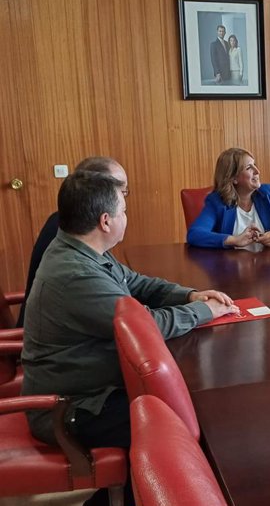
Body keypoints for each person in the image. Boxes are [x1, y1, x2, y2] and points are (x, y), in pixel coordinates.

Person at [21, 171, 238, 506]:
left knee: (182, 410)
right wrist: (204, 312)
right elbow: (144, 328)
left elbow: (137, 284)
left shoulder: (83, 248)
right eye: (123, 211)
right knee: (183, 430)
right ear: (105, 221)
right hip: (71, 408)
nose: (127, 217)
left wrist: (190, 295)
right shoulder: (74, 274)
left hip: (93, 390)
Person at [17, 156, 126, 327]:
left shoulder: (72, 228)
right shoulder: (78, 266)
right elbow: (131, 322)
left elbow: (127, 280)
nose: (123, 196)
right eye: (121, 190)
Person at [187, 148, 270, 250]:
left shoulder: (267, 194)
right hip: (230, 269)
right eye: (249, 167)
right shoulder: (216, 202)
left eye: (255, 165)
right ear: (233, 178)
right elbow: (195, 234)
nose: (257, 171)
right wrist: (234, 240)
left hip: (266, 266)